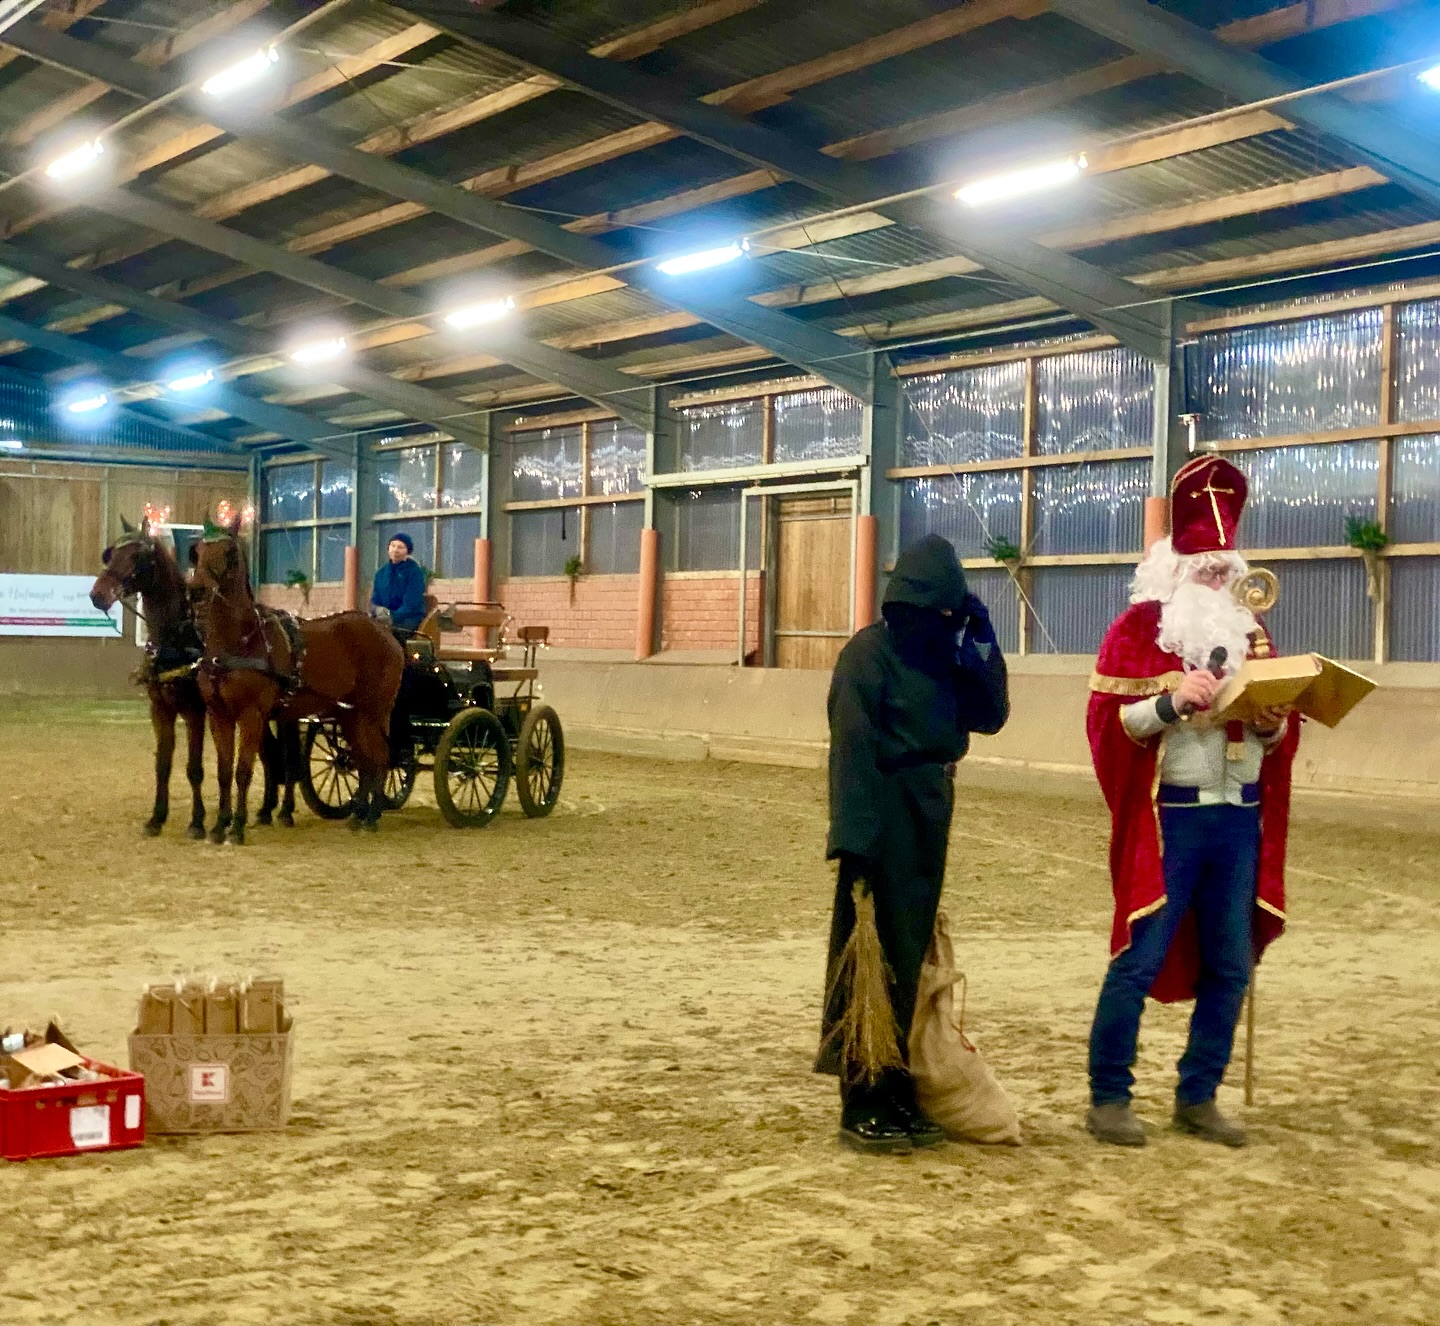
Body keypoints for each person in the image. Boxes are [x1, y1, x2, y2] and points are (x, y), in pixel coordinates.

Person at [1085, 456, 1301, 1150]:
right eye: (1203, 565)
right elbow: (1109, 725)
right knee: (1138, 957)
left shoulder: (1254, 636)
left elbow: (1279, 737)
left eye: (1222, 566)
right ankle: (1109, 1097)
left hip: (1238, 817)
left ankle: (1198, 1095)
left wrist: (1272, 728)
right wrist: (1169, 702)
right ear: (1176, 565)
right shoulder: (1136, 631)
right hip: (1169, 819)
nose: (1215, 577)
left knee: (1231, 964)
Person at [818, 534, 1010, 1154]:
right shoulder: (866, 658)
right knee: (870, 957)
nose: (942, 624)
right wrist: (856, 842)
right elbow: (851, 750)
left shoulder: (944, 656)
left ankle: (897, 1082)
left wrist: (982, 642)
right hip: (883, 812)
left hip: (930, 811)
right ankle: (862, 1094)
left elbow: (990, 713)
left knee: (911, 957)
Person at [371, 533, 427, 633]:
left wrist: (392, 616)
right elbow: (375, 599)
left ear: (407, 551)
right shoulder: (381, 573)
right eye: (393, 545)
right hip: (382, 619)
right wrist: (377, 610)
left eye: (400, 547)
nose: (395, 550)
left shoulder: (414, 572)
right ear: (388, 548)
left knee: (389, 636)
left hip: (407, 619)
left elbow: (411, 604)